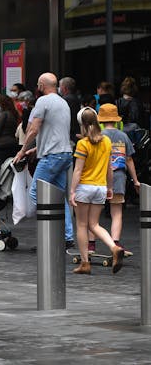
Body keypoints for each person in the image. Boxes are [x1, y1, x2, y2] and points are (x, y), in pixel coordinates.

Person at [14, 73, 75, 248]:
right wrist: (36, 149)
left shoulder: (42, 101)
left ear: (41, 85)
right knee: (57, 196)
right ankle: (67, 236)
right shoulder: (63, 102)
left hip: (52, 156)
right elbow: (55, 132)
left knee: (35, 192)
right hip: (64, 154)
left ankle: (52, 233)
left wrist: (23, 149)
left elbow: (34, 129)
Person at [69, 107, 125, 275]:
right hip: (100, 187)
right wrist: (109, 187)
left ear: (82, 125)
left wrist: (72, 191)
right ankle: (114, 247)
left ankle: (85, 263)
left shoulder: (83, 144)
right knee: (94, 224)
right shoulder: (106, 141)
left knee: (82, 225)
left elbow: (78, 171)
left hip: (85, 187)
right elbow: (109, 168)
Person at [97, 103, 140, 255]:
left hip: (99, 178)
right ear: (116, 120)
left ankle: (90, 246)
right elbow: (129, 160)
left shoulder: (98, 136)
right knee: (117, 213)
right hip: (119, 178)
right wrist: (135, 180)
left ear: (100, 120)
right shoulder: (123, 136)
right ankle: (115, 244)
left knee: (93, 215)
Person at [58, 77, 82, 143]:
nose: (59, 88)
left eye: (60, 86)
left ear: (64, 88)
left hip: (70, 134)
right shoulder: (76, 98)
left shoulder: (66, 100)